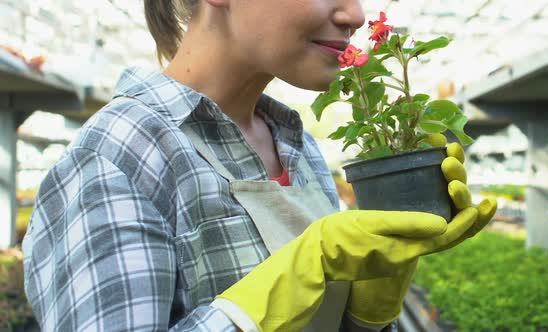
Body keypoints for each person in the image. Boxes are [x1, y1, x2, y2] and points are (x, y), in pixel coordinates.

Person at [22, 0, 497, 331]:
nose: (354, 14)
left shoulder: (298, 146)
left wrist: (366, 312)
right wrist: (280, 289)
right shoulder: (117, 157)